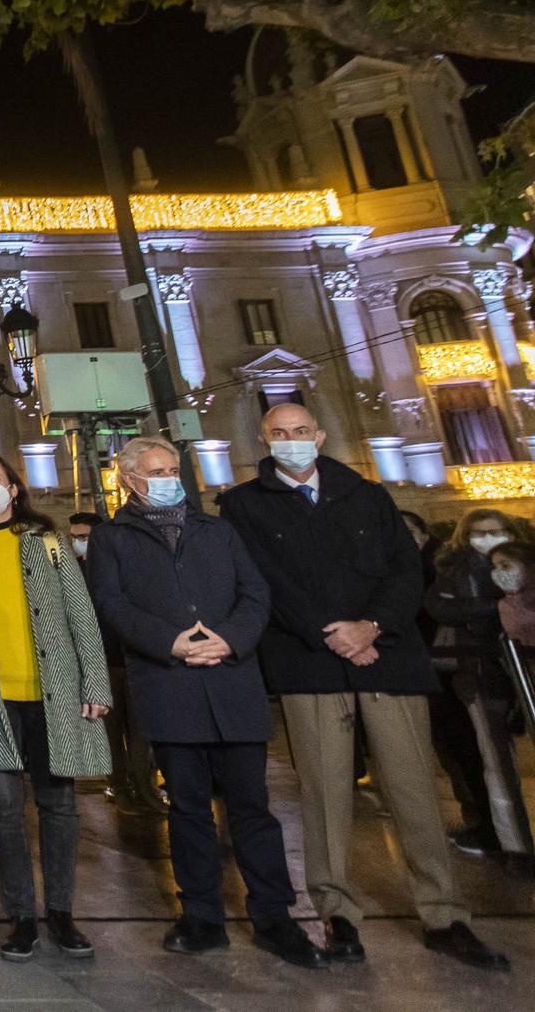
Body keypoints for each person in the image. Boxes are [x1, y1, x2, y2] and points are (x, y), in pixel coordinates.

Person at [218, 402, 510, 971]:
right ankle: (338, 914)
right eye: (279, 433)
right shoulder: (242, 506)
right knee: (325, 794)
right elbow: (262, 581)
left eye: (301, 431)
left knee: (413, 790)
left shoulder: (368, 494)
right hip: (311, 660)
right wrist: (331, 634)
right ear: (263, 439)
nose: (292, 440)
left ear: (320, 435)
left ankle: (446, 916)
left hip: (387, 657)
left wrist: (372, 626)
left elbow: (406, 570)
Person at [85, 438, 326, 968]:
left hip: (232, 683)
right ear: (129, 480)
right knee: (188, 809)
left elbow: (255, 593)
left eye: (173, 468)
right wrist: (168, 641)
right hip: (169, 688)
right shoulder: (112, 538)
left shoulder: (218, 530)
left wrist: (231, 639)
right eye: (156, 470)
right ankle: (201, 916)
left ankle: (274, 917)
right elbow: (110, 602)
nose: (169, 476)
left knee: (252, 808)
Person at [0, 453, 110, 962]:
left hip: (52, 694)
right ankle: (21, 916)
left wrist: (95, 683)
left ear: (14, 489)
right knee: (5, 811)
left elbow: (82, 617)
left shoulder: (46, 541)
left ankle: (61, 912)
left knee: (59, 805)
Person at [428, 509, 533, 860]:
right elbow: (443, 610)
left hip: (523, 665)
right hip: (479, 669)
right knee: (496, 760)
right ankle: (515, 844)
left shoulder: (524, 560)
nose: (489, 537)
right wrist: (499, 607)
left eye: (497, 530)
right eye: (480, 531)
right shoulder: (452, 568)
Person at [72, 511, 160, 815]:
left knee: (141, 732)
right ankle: (121, 789)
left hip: (133, 660)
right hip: (102, 666)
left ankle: (145, 789)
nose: (79, 543)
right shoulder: (74, 573)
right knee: (109, 734)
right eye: (76, 537)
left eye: (84, 537)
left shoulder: (121, 567)